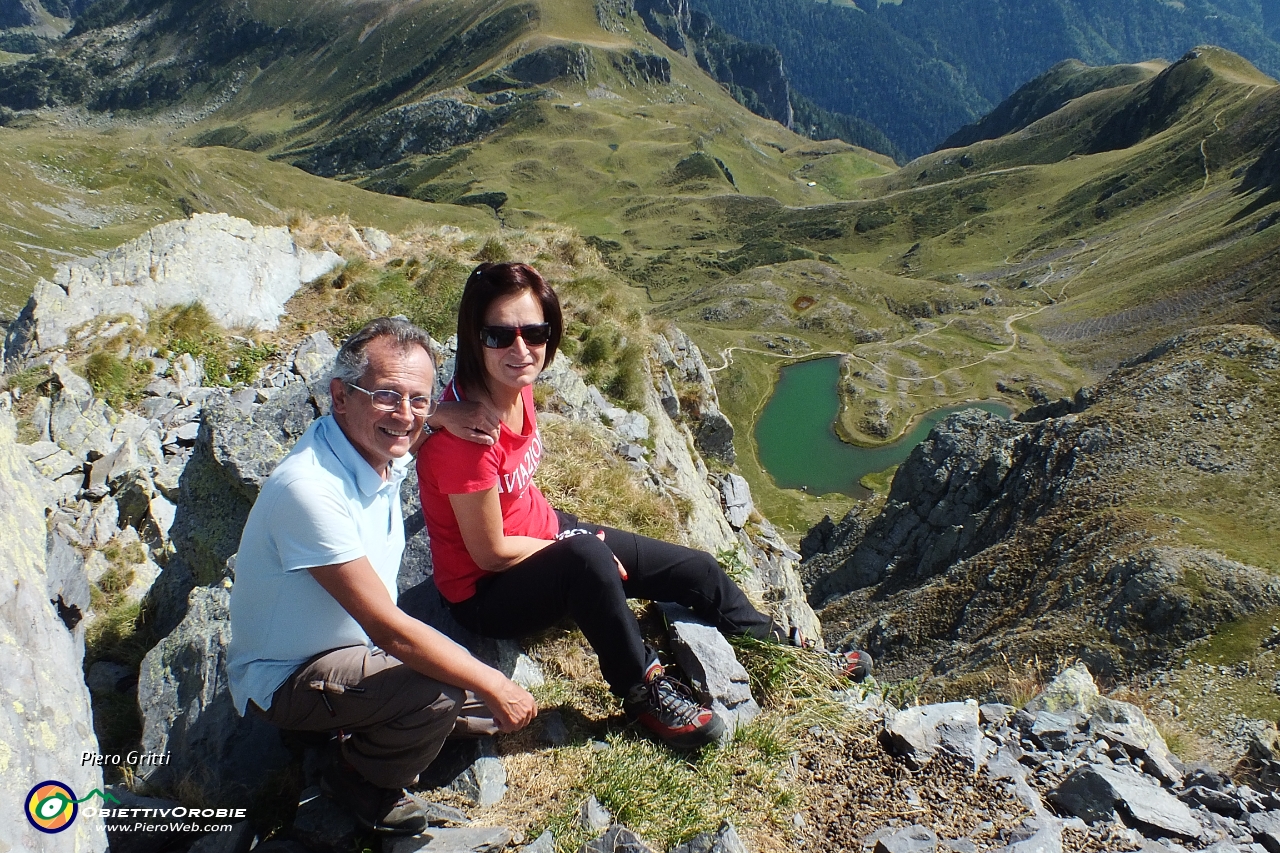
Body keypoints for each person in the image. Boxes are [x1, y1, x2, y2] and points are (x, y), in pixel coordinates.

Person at [417, 262, 797, 751]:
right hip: (486, 593)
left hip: (546, 534)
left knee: (697, 569)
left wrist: (571, 541)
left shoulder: (513, 386)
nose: (520, 349)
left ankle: (769, 641)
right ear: (475, 337)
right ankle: (641, 690)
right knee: (589, 560)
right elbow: (489, 554)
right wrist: (576, 547)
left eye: (534, 332)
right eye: (499, 334)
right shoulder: (465, 439)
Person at [227, 317, 535, 836]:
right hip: (286, 676)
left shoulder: (366, 444)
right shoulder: (309, 490)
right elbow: (388, 629)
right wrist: (491, 680)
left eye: (419, 398)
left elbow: (403, 424)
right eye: (387, 395)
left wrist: (441, 415)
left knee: (477, 700)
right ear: (340, 396)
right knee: (444, 689)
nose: (405, 415)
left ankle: (364, 724)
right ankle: (357, 781)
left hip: (352, 650)